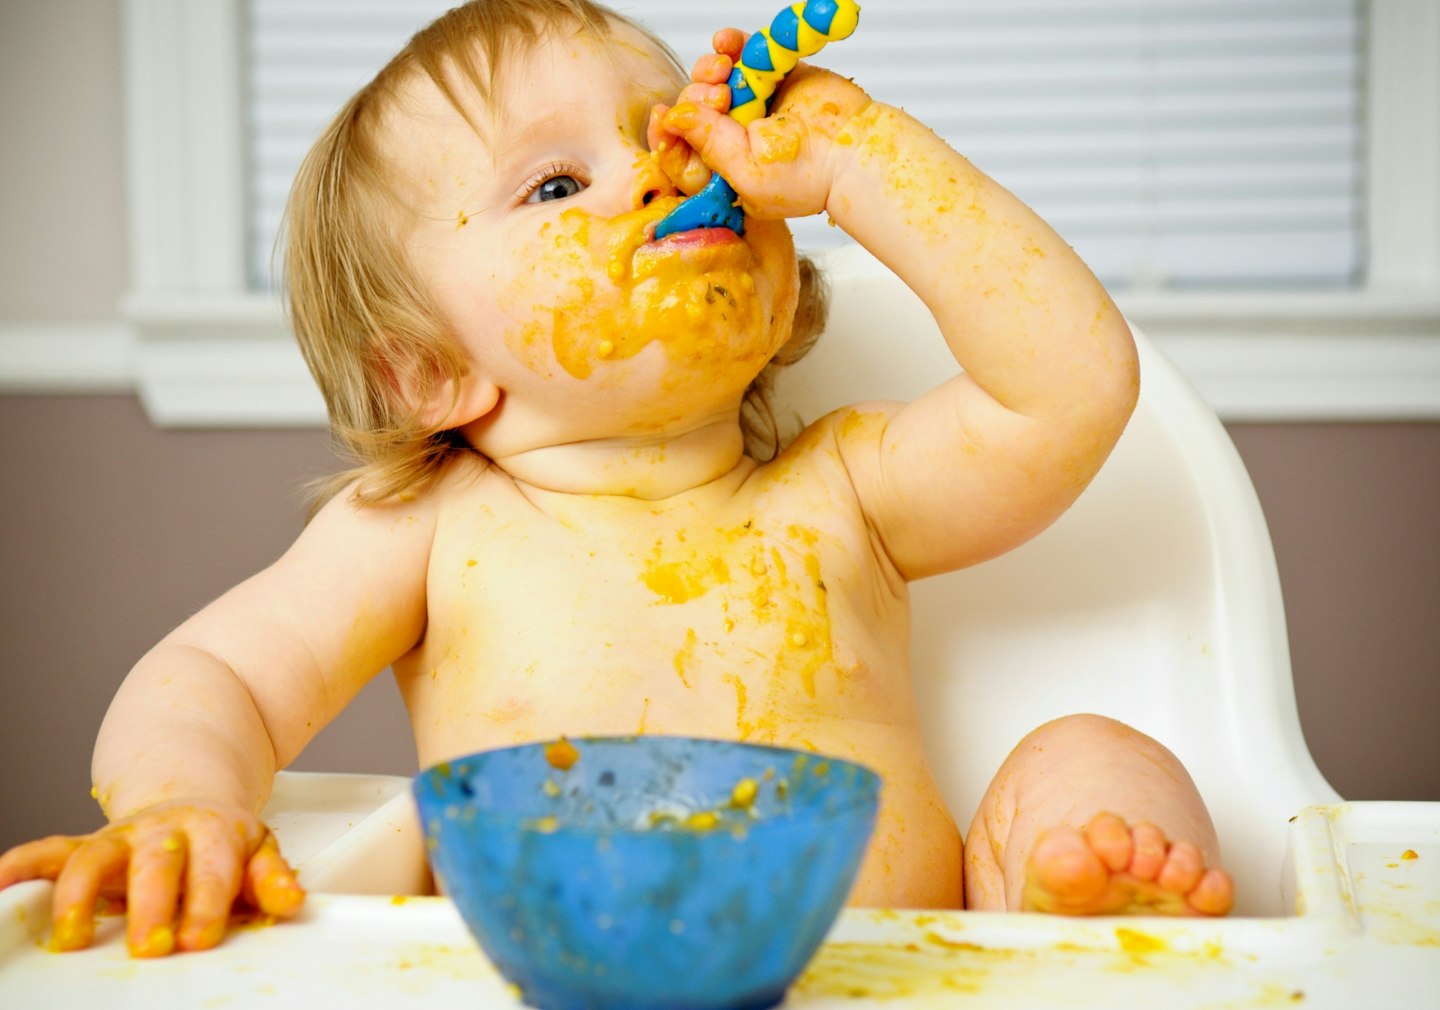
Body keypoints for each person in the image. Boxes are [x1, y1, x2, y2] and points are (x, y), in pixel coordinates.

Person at [0, 0, 1234, 958]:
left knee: (1087, 753)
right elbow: (214, 674)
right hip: (562, 981)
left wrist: (864, 160)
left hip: (899, 970)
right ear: (430, 371)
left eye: (666, 139)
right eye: (554, 183)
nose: (656, 174)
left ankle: (1097, 927)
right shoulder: (432, 528)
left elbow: (1071, 387)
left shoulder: (846, 487)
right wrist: (183, 802)